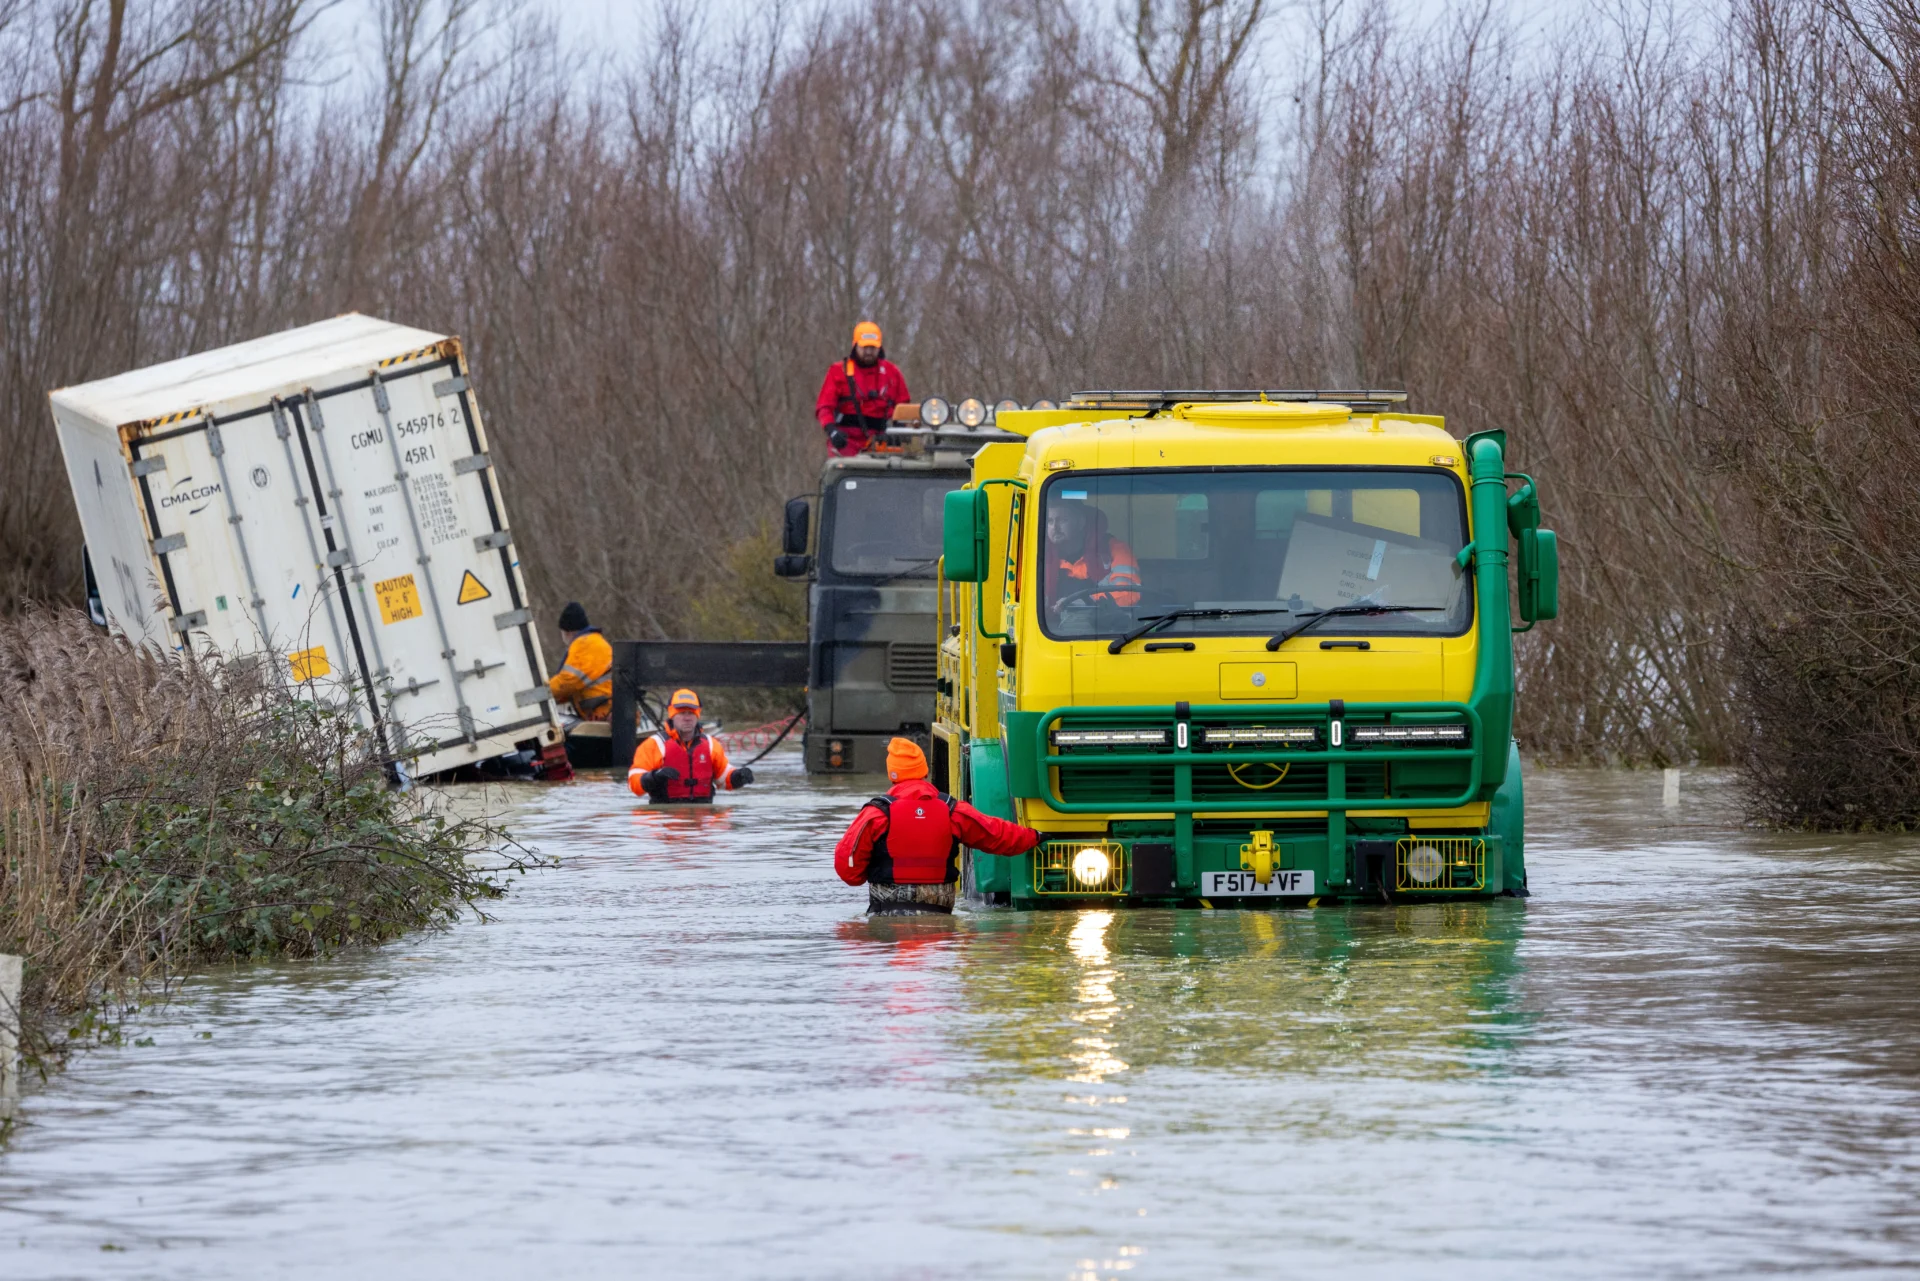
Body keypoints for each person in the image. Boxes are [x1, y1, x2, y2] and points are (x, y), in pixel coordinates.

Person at [833, 738, 1040, 914]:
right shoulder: (952, 810)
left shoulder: (876, 814)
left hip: (888, 917)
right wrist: (1037, 837)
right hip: (940, 916)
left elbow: (848, 870)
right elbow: (997, 834)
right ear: (924, 771)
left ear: (892, 774)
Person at [627, 688, 754, 803]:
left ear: (697, 715)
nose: (687, 718)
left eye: (691, 713)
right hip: (666, 818)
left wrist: (738, 777)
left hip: (703, 817)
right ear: (672, 715)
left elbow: (724, 778)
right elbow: (634, 783)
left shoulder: (711, 745)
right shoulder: (653, 744)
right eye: (682, 713)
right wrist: (655, 776)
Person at [813, 319, 910, 456]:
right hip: (847, 443)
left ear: (879, 348)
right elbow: (824, 407)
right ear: (855, 346)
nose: (869, 352)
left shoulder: (892, 373)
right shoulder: (838, 371)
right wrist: (832, 431)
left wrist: (898, 431)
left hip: (882, 444)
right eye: (865, 347)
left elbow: (904, 408)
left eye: (873, 348)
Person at [1044, 498, 1141, 608]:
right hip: (1047, 624)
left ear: (1081, 523)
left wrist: (1083, 603)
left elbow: (1129, 593)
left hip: (1104, 622)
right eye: (1050, 521)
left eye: (1063, 520)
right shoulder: (1039, 554)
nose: (1055, 527)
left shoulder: (1116, 549)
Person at [548, 601, 613, 724]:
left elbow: (568, 681)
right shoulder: (595, 641)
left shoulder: (584, 644)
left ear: (567, 632)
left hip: (603, 714)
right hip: (610, 711)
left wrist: (543, 692)